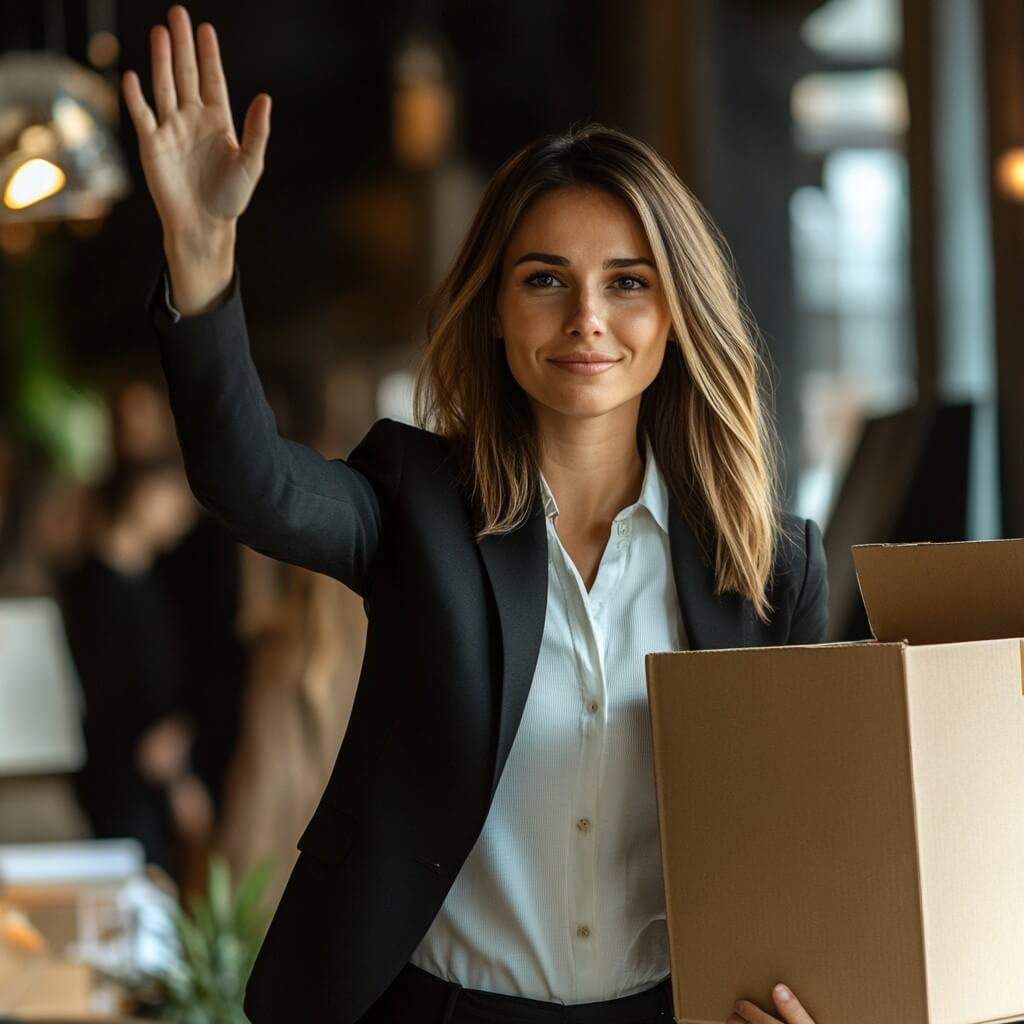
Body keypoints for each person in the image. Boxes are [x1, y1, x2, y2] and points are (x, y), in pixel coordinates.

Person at [122, 8, 828, 1024]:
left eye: (626, 282)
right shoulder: (418, 508)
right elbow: (251, 483)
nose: (586, 316)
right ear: (495, 310)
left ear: (673, 316)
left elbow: (813, 834)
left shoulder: (773, 570)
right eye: (545, 280)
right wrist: (200, 252)